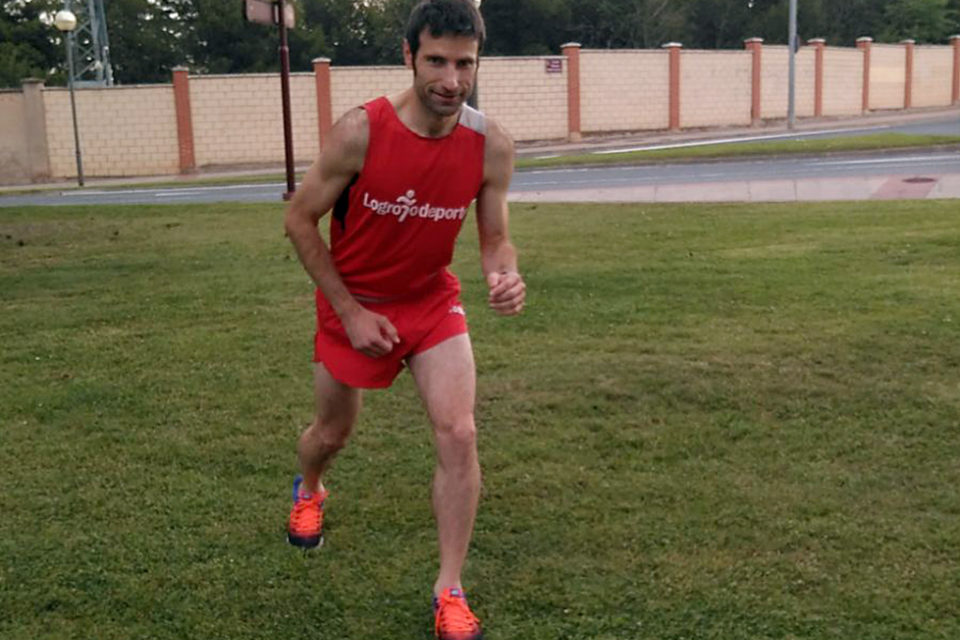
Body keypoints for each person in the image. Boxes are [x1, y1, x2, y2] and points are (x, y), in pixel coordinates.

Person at [282, 1, 524, 638]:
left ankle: (450, 589)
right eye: (437, 61)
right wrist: (350, 312)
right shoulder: (360, 131)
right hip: (353, 301)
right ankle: (309, 488)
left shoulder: (490, 144)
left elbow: (495, 237)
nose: (452, 79)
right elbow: (298, 219)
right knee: (331, 435)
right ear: (409, 56)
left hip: (430, 302)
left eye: (465, 63)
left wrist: (503, 272)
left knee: (459, 434)